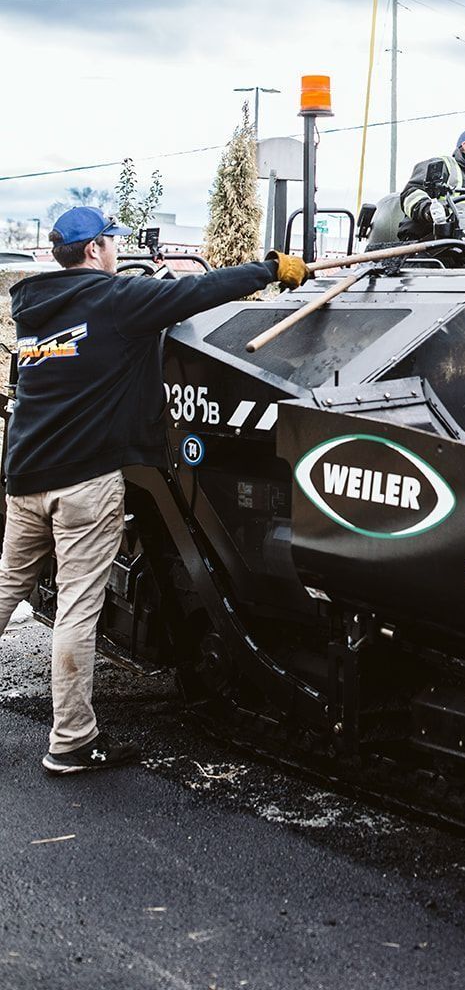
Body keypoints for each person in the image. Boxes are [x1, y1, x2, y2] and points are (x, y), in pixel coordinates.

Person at [0, 207, 310, 775]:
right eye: (111, 242)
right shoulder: (116, 301)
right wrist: (269, 268)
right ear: (94, 250)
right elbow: (200, 290)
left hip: (26, 477)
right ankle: (71, 741)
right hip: (82, 483)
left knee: (3, 591)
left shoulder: (33, 308)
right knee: (77, 609)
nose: (117, 250)